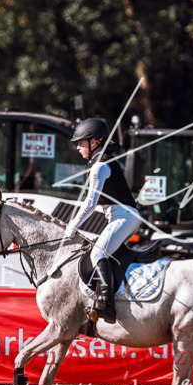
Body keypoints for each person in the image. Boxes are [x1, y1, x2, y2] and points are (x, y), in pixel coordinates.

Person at [63, 118, 140, 323]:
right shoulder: (96, 162)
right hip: (119, 216)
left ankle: (106, 306)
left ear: (94, 142)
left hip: (124, 216)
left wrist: (73, 225)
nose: (78, 147)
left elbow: (90, 203)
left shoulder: (100, 165)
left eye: (81, 143)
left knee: (98, 252)